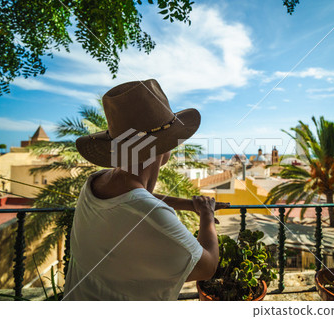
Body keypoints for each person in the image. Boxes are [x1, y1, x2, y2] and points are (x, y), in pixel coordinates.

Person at [62, 79, 227, 300]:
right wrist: (206, 214)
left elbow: (133, 199)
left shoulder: (96, 182)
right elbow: (207, 266)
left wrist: (188, 205)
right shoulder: (150, 213)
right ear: (165, 149)